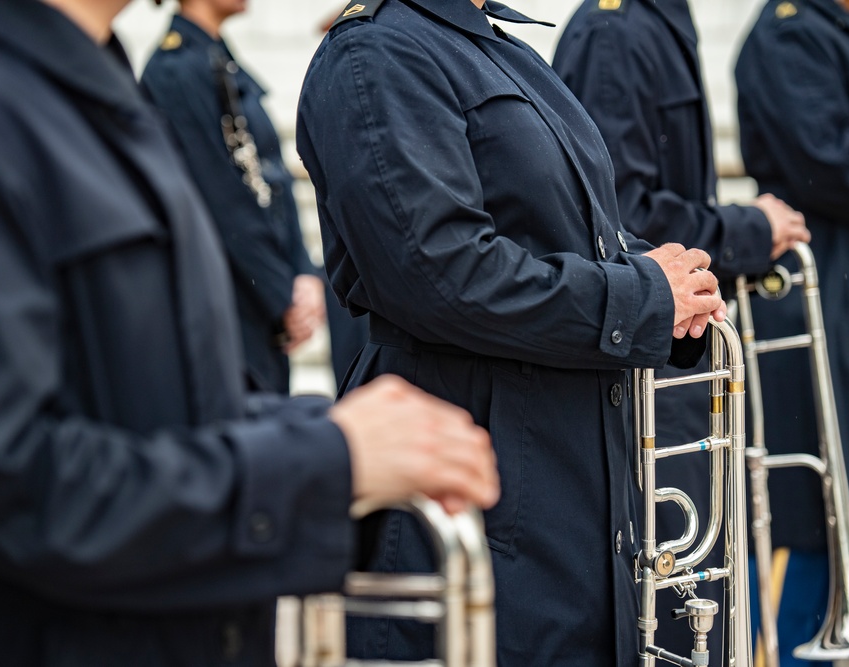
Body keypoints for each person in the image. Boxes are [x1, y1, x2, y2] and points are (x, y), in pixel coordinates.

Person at [0, 0, 500, 664]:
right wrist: (320, 463)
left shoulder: (83, 92)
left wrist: (333, 435)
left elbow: (149, 406)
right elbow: (5, 487)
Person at [296, 0, 729, 664]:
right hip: (479, 485)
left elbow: (577, 233)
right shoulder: (376, 52)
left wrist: (672, 286)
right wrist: (642, 295)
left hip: (565, 481)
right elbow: (440, 276)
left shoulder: (503, 48)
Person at [551, 0, 810, 658]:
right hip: (654, 356)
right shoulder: (617, 31)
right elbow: (625, 213)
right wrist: (750, 228)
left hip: (675, 349)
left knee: (707, 602)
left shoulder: (648, 22)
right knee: (678, 603)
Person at [735, 0, 849, 664]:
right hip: (816, 300)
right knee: (807, 504)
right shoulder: (792, 34)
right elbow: (830, 164)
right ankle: (783, 649)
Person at [140, 0, 325, 394]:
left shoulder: (218, 56)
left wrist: (303, 272)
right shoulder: (174, 69)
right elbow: (220, 198)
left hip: (262, 293)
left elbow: (273, 176)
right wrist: (281, 294)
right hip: (232, 300)